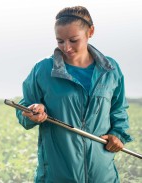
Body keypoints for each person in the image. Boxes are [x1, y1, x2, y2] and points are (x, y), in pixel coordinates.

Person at [16, 6, 133, 183]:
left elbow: (118, 110)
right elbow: (24, 109)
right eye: (60, 41)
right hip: (57, 174)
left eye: (73, 40)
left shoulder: (111, 69)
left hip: (103, 175)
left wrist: (118, 134)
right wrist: (31, 112)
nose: (66, 47)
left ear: (90, 32)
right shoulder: (42, 70)